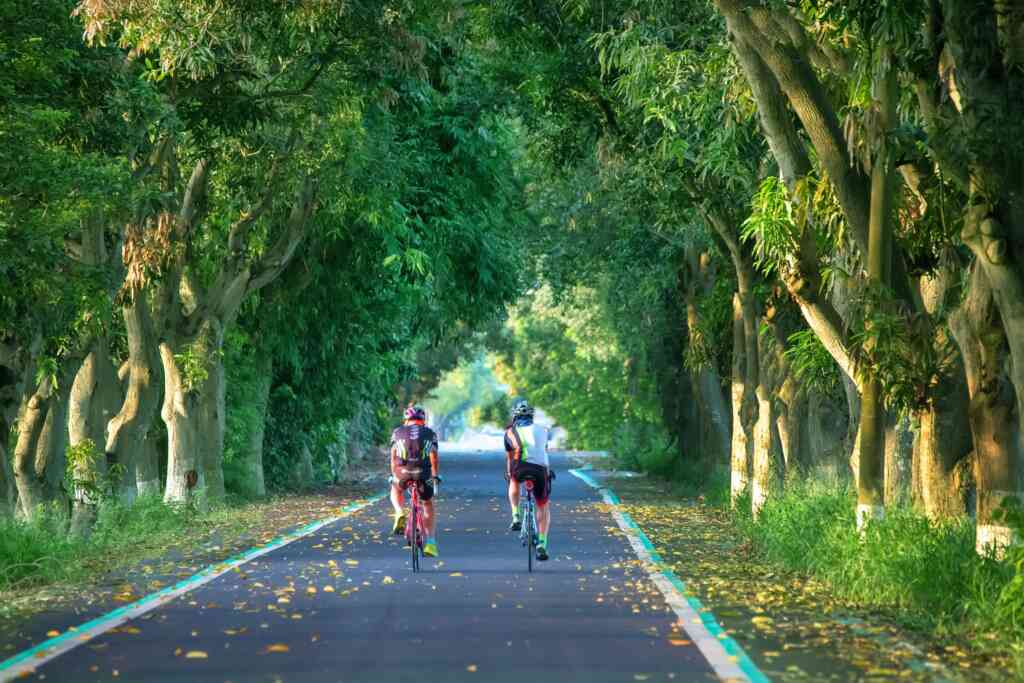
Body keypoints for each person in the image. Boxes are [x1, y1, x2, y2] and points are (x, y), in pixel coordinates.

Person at [390, 403, 441, 557]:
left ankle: (399, 512)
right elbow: (434, 457)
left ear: (406, 420)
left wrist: (394, 475)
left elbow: (393, 458)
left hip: (402, 472)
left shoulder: (397, 432)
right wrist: (435, 475)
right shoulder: (430, 433)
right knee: (427, 502)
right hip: (423, 473)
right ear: (423, 420)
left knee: (396, 488)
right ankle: (431, 543)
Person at [504, 399, 553, 561]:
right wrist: (547, 472)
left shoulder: (510, 432)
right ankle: (542, 543)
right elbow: (543, 453)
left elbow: (510, 459)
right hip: (540, 470)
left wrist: (509, 473)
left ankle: (516, 515)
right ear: (532, 417)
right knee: (543, 505)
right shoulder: (544, 431)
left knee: (513, 479)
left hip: (520, 468)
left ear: (515, 417)